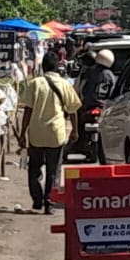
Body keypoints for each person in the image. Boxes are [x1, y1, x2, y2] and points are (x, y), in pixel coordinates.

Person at [16, 54, 81, 214]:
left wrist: (22, 133)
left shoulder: (35, 83)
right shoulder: (65, 84)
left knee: (34, 168)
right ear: (57, 67)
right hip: (56, 133)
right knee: (54, 170)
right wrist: (75, 130)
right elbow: (73, 110)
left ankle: (37, 200)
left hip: (36, 133)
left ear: (43, 67)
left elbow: (28, 110)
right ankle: (49, 203)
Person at [73, 48, 117, 163]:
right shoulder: (111, 76)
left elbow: (81, 88)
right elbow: (113, 92)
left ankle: (79, 142)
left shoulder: (89, 73)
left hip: (88, 106)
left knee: (79, 121)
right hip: (104, 107)